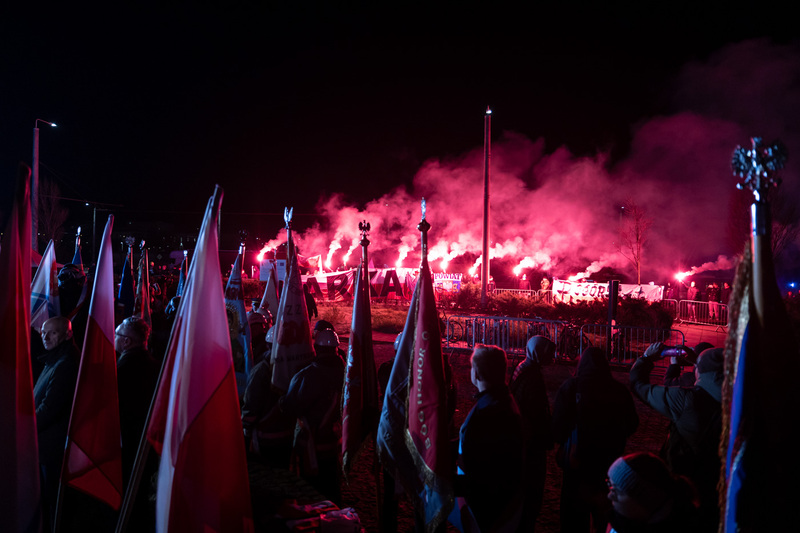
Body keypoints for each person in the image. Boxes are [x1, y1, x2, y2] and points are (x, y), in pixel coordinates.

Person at [629, 344, 723, 531]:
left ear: (699, 371)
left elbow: (639, 386)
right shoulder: (741, 399)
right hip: (717, 485)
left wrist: (646, 358)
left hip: (685, 481)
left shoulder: (686, 400)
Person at [552, 347, 639, 533]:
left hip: (577, 465)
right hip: (608, 464)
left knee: (573, 520)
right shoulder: (618, 390)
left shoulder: (571, 387)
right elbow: (632, 423)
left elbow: (558, 427)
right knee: (605, 517)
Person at [451, 345, 524, 532]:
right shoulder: (499, 401)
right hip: (501, 505)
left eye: (471, 367)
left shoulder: (487, 412)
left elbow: (479, 467)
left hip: (485, 511)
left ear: (477, 374)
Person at [280, 327, 345, 504]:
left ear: (316, 348)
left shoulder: (306, 377)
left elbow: (290, 407)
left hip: (312, 449)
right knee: (333, 490)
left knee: (312, 494)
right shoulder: (346, 374)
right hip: (335, 446)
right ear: (336, 349)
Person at [115, 316, 160, 531]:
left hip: (130, 441)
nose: (114, 338)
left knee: (131, 492)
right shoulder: (151, 362)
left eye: (117, 335)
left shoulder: (125, 367)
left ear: (126, 342)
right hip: (145, 440)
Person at [35, 316, 80, 530]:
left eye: (52, 332)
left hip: (51, 448)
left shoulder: (66, 362)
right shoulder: (54, 358)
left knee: (52, 502)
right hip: (44, 444)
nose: (45, 336)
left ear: (67, 334)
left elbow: (49, 408)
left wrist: (26, 428)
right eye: (44, 332)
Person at [509, 336, 554, 532]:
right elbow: (537, 413)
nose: (552, 356)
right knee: (532, 491)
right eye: (549, 352)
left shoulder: (523, 367)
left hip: (523, 437)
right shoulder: (533, 376)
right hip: (531, 442)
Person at [606, 452, 700, 532]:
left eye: (617, 491)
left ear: (645, 500)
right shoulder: (622, 518)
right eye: (610, 484)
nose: (609, 496)